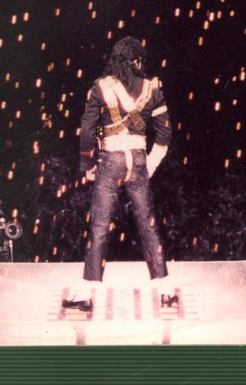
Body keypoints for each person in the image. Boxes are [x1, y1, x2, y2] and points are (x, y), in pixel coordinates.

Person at [68, 36, 172, 310]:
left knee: (100, 226)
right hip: (137, 161)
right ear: (137, 61)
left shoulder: (101, 87)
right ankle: (164, 290)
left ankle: (88, 294)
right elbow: (165, 134)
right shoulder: (152, 88)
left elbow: (87, 132)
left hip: (109, 161)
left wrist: (87, 166)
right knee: (148, 225)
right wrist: (149, 165)